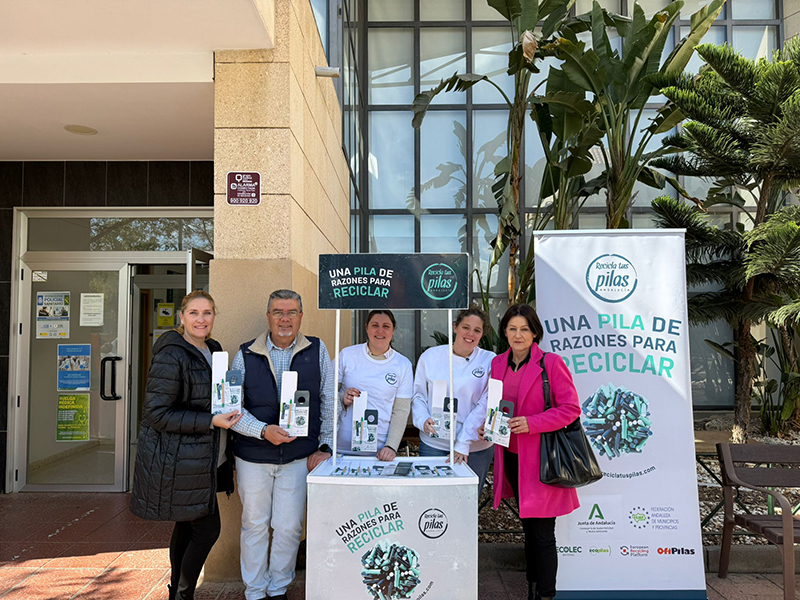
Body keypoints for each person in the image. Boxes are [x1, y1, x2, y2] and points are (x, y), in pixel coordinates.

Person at [130, 290, 242, 600]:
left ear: (214, 316)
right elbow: (156, 413)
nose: (201, 319)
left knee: (186, 525)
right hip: (182, 459)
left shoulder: (213, 349)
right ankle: (183, 594)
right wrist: (211, 420)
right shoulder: (172, 354)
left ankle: (176, 593)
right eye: (194, 313)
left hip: (206, 456)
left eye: (207, 313)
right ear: (181, 317)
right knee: (207, 530)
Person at [230, 289, 334, 600]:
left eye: (291, 312)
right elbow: (233, 409)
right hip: (253, 457)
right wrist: (263, 431)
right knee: (254, 524)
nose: (285, 319)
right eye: (278, 312)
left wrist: (325, 446)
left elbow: (329, 400)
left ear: (301, 316)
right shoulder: (245, 354)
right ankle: (254, 591)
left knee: (289, 527)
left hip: (298, 458)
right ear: (268, 317)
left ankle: (277, 589)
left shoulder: (317, 349)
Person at [491, 304, 581, 600]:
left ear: (535, 333)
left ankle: (546, 595)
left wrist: (532, 423)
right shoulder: (498, 364)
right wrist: (487, 426)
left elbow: (570, 409)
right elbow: (495, 406)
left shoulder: (551, 363)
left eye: (524, 329)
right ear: (505, 332)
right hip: (512, 457)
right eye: (512, 329)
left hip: (542, 460)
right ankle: (532, 589)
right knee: (528, 529)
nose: (518, 335)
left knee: (542, 534)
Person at [412, 306, 496, 493]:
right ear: (455, 327)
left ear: (482, 334)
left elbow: (485, 404)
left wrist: (463, 442)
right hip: (434, 443)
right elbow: (418, 395)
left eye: (477, 330)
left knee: (468, 500)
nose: (470, 334)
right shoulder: (431, 357)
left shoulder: (490, 360)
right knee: (432, 498)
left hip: (475, 447)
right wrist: (422, 420)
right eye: (466, 327)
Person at [338, 310, 413, 461]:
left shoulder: (403, 364)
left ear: (393, 330)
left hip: (379, 452)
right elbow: (326, 393)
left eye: (386, 326)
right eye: (375, 325)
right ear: (366, 328)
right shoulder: (347, 355)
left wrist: (391, 446)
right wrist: (342, 398)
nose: (380, 331)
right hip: (341, 448)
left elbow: (401, 410)